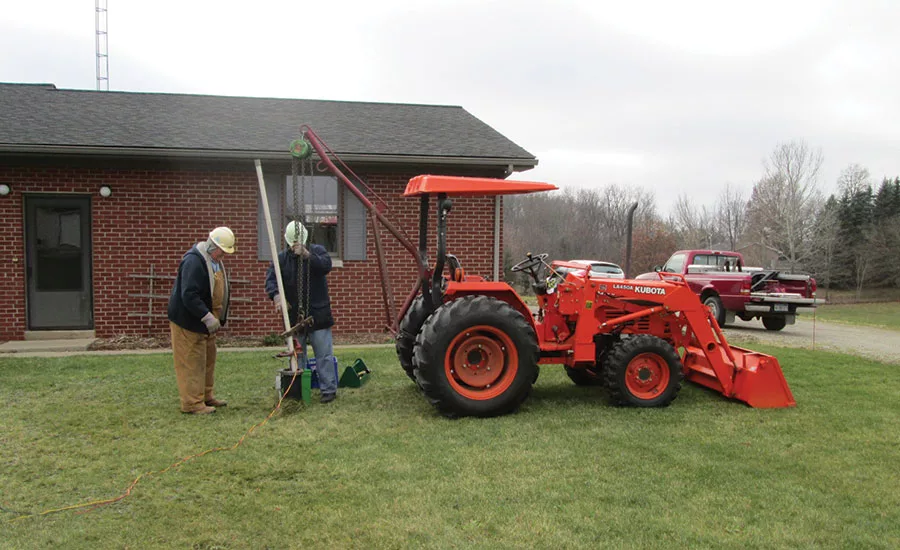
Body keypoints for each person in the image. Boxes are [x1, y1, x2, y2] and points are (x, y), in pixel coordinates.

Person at [266, 221, 337, 403]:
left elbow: (325, 266)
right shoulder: (281, 258)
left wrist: (307, 256)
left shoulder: (317, 251)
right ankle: (299, 389)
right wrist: (277, 297)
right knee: (298, 356)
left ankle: (328, 390)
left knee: (324, 355)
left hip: (318, 315)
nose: (296, 247)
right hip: (294, 318)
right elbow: (271, 280)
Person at [167, 227, 235, 414]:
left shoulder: (213, 261)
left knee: (207, 360)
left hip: (206, 324)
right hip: (189, 322)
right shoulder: (193, 262)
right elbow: (189, 295)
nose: (223, 256)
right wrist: (206, 316)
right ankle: (192, 403)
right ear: (213, 246)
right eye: (222, 252)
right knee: (192, 362)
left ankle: (206, 395)